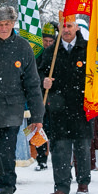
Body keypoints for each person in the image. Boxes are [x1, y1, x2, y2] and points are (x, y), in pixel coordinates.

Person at [0, 6, 44, 194]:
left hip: (11, 110)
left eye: (7, 24)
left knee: (6, 154)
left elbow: (32, 83)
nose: (4, 28)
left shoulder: (23, 47)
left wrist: (37, 115)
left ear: (13, 24)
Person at [37, 15, 92, 194]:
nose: (66, 29)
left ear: (76, 27)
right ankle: (61, 187)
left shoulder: (88, 50)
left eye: (69, 26)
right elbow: (40, 72)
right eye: (63, 26)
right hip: (58, 107)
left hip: (82, 106)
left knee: (82, 145)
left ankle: (83, 180)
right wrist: (43, 81)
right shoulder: (51, 51)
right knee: (60, 147)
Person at [34, 21, 59, 171]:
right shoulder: (36, 53)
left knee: (54, 127)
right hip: (38, 94)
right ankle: (41, 158)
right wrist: (41, 79)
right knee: (38, 125)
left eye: (51, 41)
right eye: (45, 41)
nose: (48, 44)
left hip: (55, 96)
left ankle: (56, 155)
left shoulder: (57, 53)